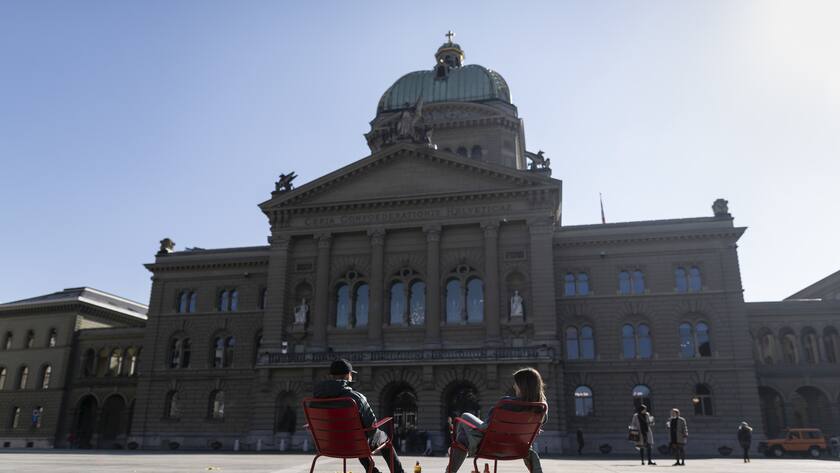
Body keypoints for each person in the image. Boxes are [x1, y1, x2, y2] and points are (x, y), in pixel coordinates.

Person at [447, 367, 547, 473]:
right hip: (518, 448)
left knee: (464, 418)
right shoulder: (542, 408)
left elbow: (485, 427)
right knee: (464, 436)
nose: (514, 386)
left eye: (516, 383)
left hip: (491, 446)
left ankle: (452, 466)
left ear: (522, 386)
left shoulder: (506, 404)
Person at [313, 359, 404, 473]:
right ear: (348, 375)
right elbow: (372, 426)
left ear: (332, 376)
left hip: (328, 445)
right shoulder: (356, 398)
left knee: (359, 437)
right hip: (354, 444)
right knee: (379, 437)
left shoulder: (315, 398)